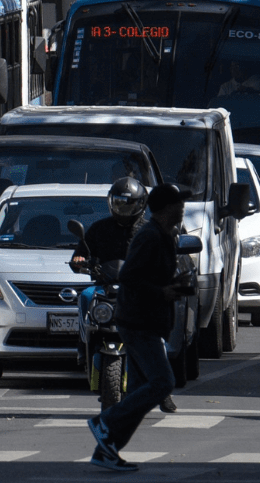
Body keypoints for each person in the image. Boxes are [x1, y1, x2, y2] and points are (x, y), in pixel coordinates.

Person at [87, 183, 192, 472]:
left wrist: (174, 286)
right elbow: (131, 278)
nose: (182, 209)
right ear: (165, 209)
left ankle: (107, 450)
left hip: (146, 321)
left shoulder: (162, 235)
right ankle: (105, 422)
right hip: (138, 322)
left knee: (138, 391)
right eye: (178, 205)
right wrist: (163, 292)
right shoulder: (149, 237)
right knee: (163, 383)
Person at [71, 177, 177, 414]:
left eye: (128, 205)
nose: (123, 210)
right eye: (119, 204)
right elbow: (81, 254)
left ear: (140, 205)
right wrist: (79, 261)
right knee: (85, 296)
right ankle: (83, 344)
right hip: (105, 286)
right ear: (111, 203)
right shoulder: (99, 229)